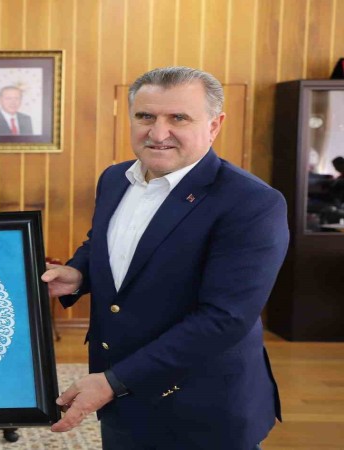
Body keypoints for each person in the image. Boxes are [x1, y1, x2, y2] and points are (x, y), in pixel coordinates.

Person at [42, 67, 289, 449]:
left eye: (178, 118)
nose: (158, 133)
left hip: (202, 408)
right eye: (146, 116)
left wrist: (113, 382)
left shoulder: (252, 202)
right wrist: (78, 273)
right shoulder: (114, 178)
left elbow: (224, 319)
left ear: (214, 125)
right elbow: (104, 243)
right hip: (120, 398)